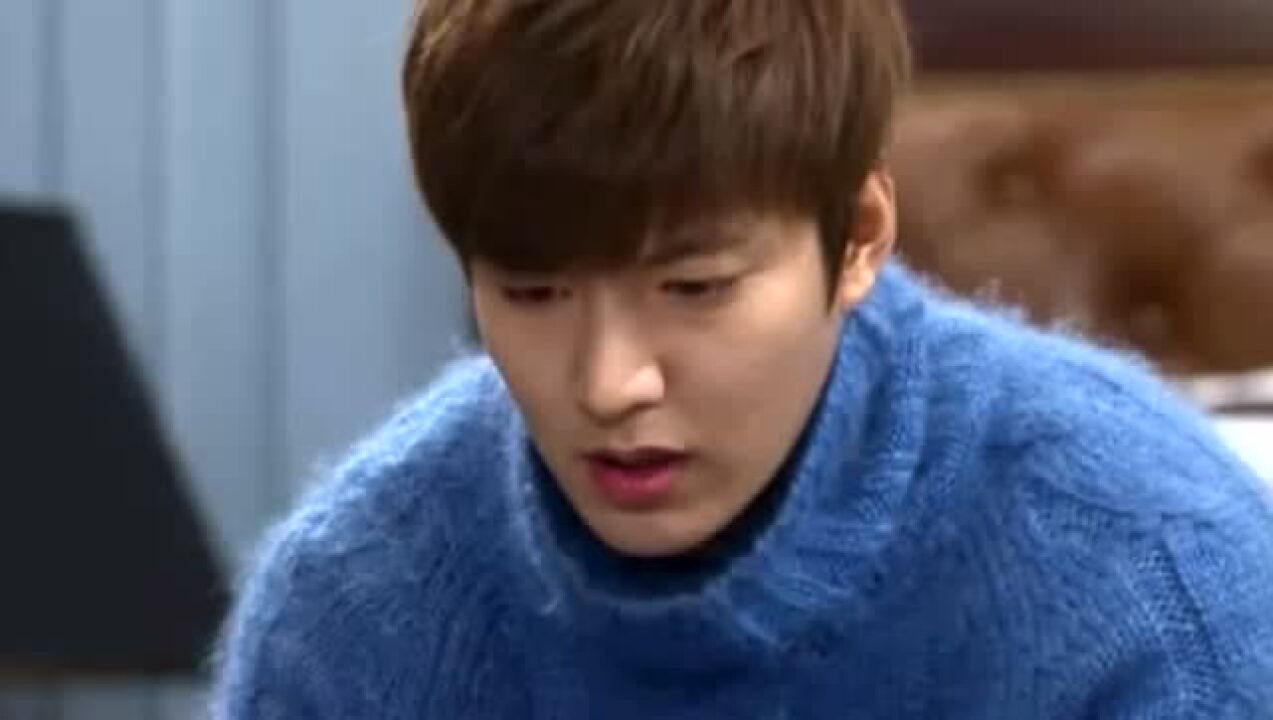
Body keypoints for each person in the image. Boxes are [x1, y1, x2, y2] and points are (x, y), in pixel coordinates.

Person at [213, 1, 1273, 717]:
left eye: (693, 290)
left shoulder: (1160, 588)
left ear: (858, 238)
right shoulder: (356, 608)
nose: (608, 384)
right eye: (533, 293)